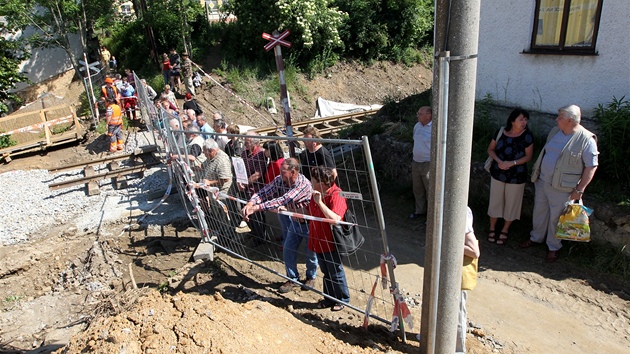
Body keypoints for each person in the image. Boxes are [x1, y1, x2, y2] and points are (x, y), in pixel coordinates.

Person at [521, 105, 598, 263]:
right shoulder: (555, 132)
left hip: (564, 187)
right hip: (543, 181)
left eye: (560, 117)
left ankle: (553, 247)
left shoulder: (586, 139)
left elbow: (591, 166)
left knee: (557, 218)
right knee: (539, 212)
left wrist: (580, 190)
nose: (556, 119)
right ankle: (536, 238)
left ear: (570, 120)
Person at [241, 158, 317, 293]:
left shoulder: (302, 184)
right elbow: (264, 192)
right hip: (295, 221)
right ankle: (292, 278)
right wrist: (250, 203)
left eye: (283, 172)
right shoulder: (280, 180)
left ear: (293, 172)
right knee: (288, 249)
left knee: (311, 252)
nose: (280, 174)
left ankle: (311, 277)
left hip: (309, 224)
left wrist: (257, 207)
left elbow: (284, 199)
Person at [486, 109, 534, 244]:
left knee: (512, 204)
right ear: (512, 121)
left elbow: (528, 156)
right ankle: (492, 228)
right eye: (521, 119)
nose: (524, 122)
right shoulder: (501, 131)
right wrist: (499, 161)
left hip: (516, 176)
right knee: (495, 201)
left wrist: (511, 163)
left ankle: (505, 230)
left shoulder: (527, 136)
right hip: (498, 173)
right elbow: (490, 149)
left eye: (526, 119)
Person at [309, 166, 350, 311]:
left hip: (331, 241)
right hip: (318, 239)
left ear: (322, 182)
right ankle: (329, 298)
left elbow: (336, 218)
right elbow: (308, 211)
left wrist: (319, 202)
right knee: (326, 271)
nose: (311, 182)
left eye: (313, 179)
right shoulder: (316, 193)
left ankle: (342, 299)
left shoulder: (337, 194)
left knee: (335, 271)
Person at [238, 131, 269, 243]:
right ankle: (253, 232)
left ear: (254, 142)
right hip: (244, 187)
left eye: (247, 141)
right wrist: (239, 181)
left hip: (255, 190)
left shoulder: (260, 154)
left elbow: (258, 174)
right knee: (246, 212)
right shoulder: (244, 153)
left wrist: (245, 183)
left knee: (256, 215)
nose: (244, 143)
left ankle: (261, 237)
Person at [458, 207, 480, 354]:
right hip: (444, 268)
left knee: (456, 309)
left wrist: (451, 244)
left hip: (456, 274)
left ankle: (457, 349)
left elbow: (474, 251)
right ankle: (433, 337)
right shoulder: (440, 203)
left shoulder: (461, 210)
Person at [410, 106, 432, 219]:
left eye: (420, 114)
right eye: (417, 113)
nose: (417, 115)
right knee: (417, 189)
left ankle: (432, 216)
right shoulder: (417, 126)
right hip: (416, 162)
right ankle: (420, 211)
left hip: (428, 164)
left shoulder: (434, 128)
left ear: (429, 115)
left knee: (430, 190)